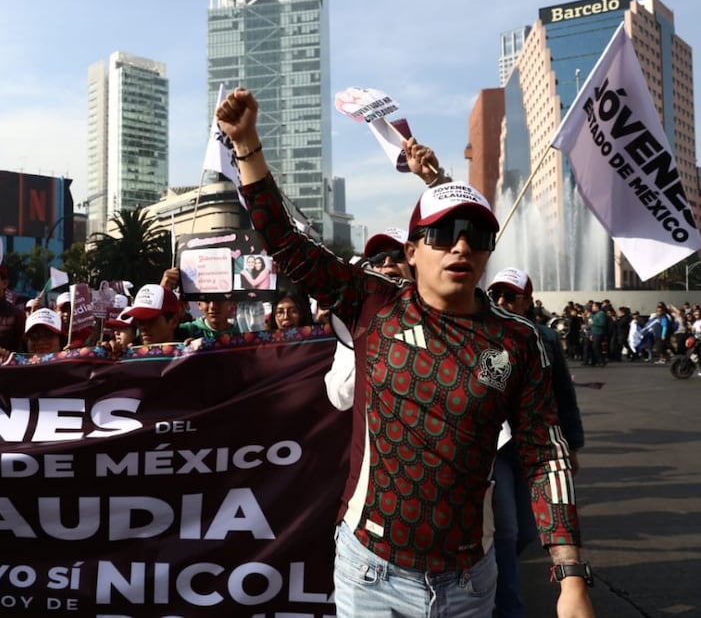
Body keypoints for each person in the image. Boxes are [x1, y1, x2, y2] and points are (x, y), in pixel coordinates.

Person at [216, 87, 592, 617]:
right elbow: (286, 243)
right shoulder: (371, 304)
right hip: (370, 574)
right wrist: (248, 146)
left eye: (477, 235)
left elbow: (544, 452)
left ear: (488, 251)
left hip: (469, 580)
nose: (460, 246)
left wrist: (570, 575)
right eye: (442, 234)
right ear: (412, 252)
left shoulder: (518, 341)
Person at [488, 267, 586, 618]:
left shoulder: (544, 337)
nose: (501, 302)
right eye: (495, 295)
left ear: (527, 301)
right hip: (496, 448)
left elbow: (563, 394)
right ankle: (506, 607)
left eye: (510, 296)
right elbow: (483, 395)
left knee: (528, 531)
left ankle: (490, 573)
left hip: (534, 449)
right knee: (507, 529)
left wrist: (571, 444)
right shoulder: (485, 334)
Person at [324, 228, 413, 412]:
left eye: (398, 255)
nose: (388, 263)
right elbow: (339, 397)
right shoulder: (358, 324)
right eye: (378, 259)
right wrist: (370, 346)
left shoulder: (438, 315)